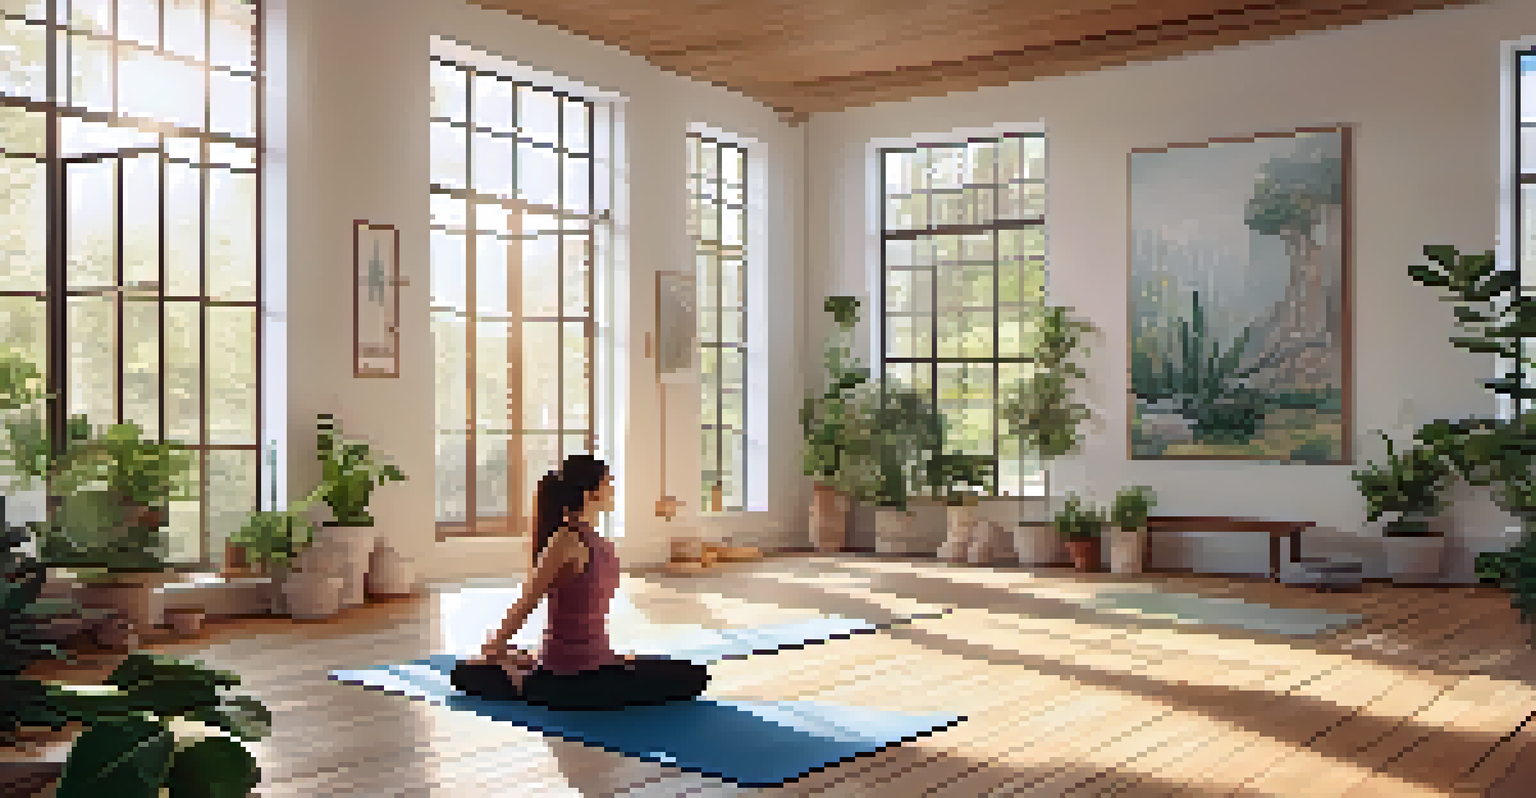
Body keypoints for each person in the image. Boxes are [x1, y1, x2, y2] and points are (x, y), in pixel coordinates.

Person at [450, 454, 711, 710]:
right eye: (608, 483)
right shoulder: (565, 540)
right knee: (690, 679)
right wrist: (494, 648)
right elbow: (526, 602)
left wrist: (615, 657)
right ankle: (528, 681)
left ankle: (526, 670)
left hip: (598, 662)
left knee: (691, 672)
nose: (613, 490)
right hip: (570, 677)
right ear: (589, 494)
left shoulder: (597, 541)